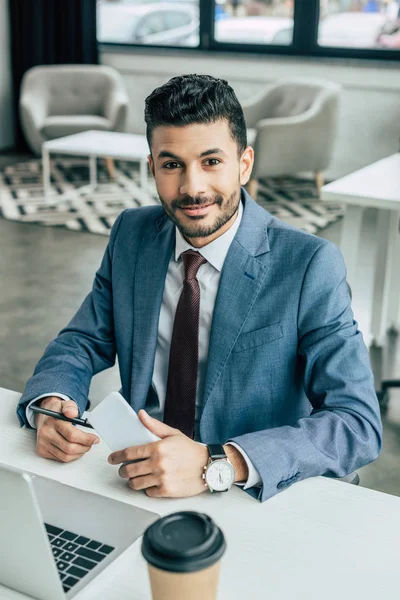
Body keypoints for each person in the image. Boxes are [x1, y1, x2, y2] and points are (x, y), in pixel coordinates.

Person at [16, 74, 382, 502]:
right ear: (152, 167)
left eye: (211, 162)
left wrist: (218, 464)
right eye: (172, 164)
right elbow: (83, 340)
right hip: (136, 475)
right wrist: (52, 402)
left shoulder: (309, 265)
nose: (192, 188)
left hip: (247, 491)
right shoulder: (131, 235)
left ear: (244, 164)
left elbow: (357, 421)